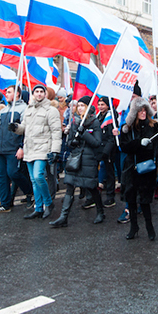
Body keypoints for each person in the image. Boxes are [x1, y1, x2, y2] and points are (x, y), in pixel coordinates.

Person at [49, 96, 105, 227]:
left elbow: (97, 143)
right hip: (75, 158)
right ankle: (63, 217)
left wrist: (84, 133)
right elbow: (69, 143)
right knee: (70, 185)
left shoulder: (94, 122)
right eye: (78, 105)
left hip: (88, 159)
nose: (79, 108)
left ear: (88, 107)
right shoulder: (74, 121)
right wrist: (72, 141)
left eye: (82, 105)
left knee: (91, 187)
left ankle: (100, 212)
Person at [12, 84, 62, 219]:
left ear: (45, 94)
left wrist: (55, 150)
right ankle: (38, 208)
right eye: (36, 92)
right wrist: (15, 127)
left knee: (39, 176)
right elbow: (24, 128)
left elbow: (56, 131)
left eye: (41, 91)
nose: (39, 94)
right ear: (33, 94)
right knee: (34, 180)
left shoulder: (51, 110)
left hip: (43, 147)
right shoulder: (29, 109)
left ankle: (48, 203)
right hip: (30, 147)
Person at [118, 96, 158, 240]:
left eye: (145, 110)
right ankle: (134, 227)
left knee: (145, 200)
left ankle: (150, 227)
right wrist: (138, 143)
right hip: (131, 167)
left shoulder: (153, 125)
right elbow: (124, 147)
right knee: (131, 198)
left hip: (147, 168)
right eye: (140, 111)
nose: (143, 113)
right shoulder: (127, 128)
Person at [0, 85, 33, 212]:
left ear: (17, 94)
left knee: (14, 173)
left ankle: (30, 192)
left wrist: (21, 147)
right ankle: (5, 203)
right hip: (2, 147)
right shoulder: (3, 110)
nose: (6, 94)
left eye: (9, 92)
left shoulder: (24, 109)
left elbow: (26, 130)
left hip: (14, 147)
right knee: (2, 176)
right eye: (6, 92)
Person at [96, 96, 118, 208]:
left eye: (103, 104)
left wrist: (106, 151)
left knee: (109, 173)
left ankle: (110, 197)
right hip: (99, 148)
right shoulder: (98, 116)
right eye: (99, 104)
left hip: (108, 150)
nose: (100, 107)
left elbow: (111, 137)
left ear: (108, 105)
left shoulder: (111, 117)